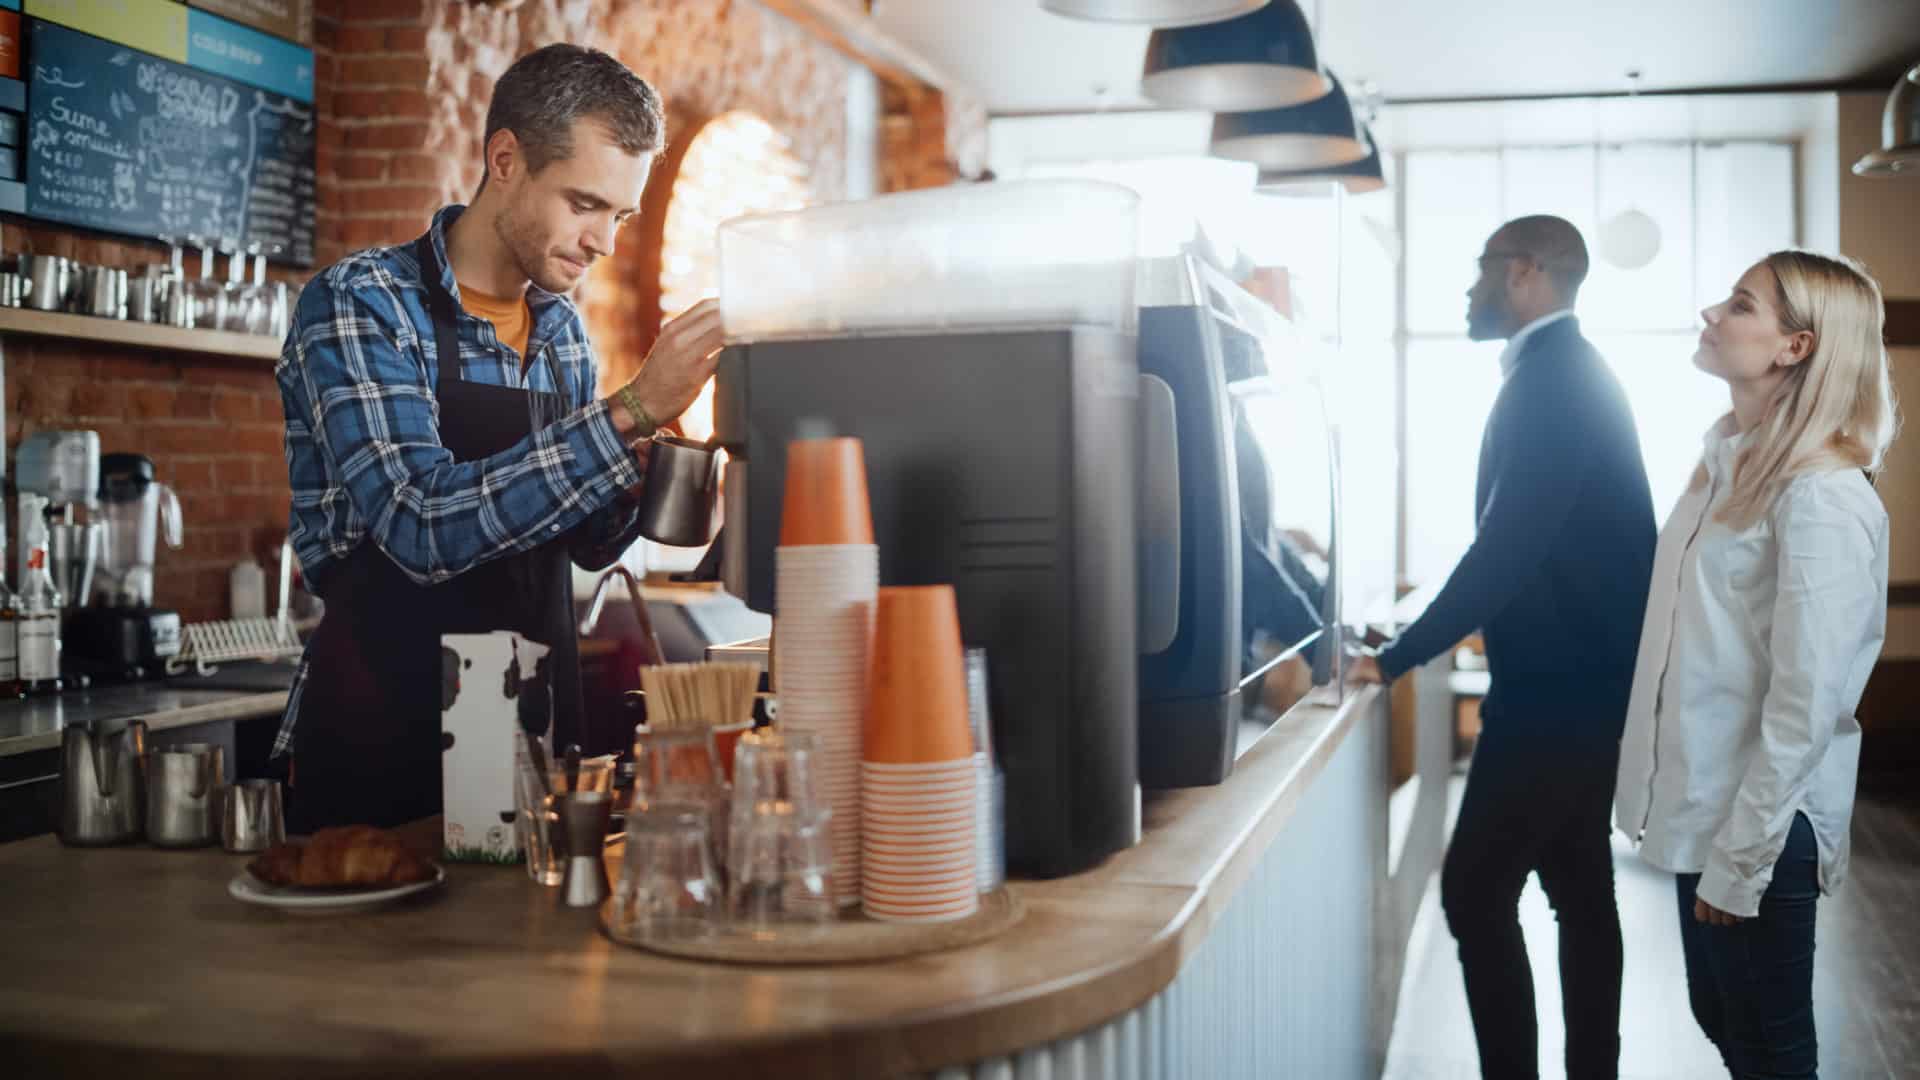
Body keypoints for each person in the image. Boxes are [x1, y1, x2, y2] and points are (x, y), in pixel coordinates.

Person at [272, 44, 725, 831]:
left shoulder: (562, 334)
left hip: (528, 730)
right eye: (584, 204)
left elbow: (583, 542)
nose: (604, 243)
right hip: (384, 741)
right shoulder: (363, 303)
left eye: (619, 216)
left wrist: (650, 463)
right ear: (506, 159)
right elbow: (419, 525)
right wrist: (624, 415)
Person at [1350, 215, 1656, 1080]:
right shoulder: (1565, 375)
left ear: (1526, 273)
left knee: (1475, 892)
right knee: (1578, 890)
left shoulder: (1553, 382)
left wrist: (1396, 656)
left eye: (1481, 269)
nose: (1469, 288)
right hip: (1588, 690)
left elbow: (1508, 546)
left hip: (1560, 699)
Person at [1615, 251, 1896, 1080]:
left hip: (1762, 826)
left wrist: (1743, 860)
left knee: (1772, 1054)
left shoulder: (1823, 497)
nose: (1712, 313)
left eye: (1741, 305)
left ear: (1794, 347)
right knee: (1725, 1023)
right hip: (1707, 805)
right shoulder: (1724, 466)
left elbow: (1805, 702)